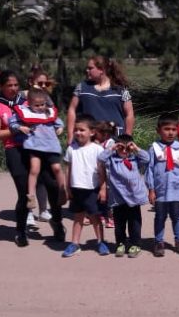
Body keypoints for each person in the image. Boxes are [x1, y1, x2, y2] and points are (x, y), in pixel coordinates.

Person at [0, 70, 65, 247]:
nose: (14, 89)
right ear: (1, 86)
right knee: (24, 193)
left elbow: (48, 109)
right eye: (9, 86)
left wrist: (51, 128)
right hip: (15, 149)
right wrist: (19, 128)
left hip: (38, 148)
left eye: (16, 85)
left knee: (52, 186)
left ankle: (57, 222)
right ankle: (20, 231)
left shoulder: (27, 101)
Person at [9, 88, 66, 212]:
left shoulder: (49, 112)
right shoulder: (24, 112)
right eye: (37, 105)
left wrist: (60, 128)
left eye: (43, 104)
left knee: (57, 168)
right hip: (34, 145)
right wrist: (20, 127)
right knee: (34, 170)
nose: (40, 107)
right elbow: (12, 122)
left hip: (51, 146)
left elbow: (59, 122)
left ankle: (62, 191)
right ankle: (31, 196)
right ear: (29, 103)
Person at [146, 114, 179, 257]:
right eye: (166, 129)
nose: (171, 132)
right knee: (160, 216)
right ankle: (159, 242)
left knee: (177, 216)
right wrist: (151, 190)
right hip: (160, 190)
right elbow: (149, 170)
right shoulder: (154, 148)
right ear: (158, 130)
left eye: (174, 129)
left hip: (177, 190)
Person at [62, 117, 108, 258]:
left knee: (95, 217)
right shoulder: (71, 149)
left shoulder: (97, 149)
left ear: (92, 132)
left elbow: (102, 172)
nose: (78, 132)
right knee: (78, 217)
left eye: (82, 130)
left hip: (92, 189)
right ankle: (75, 243)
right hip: (76, 189)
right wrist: (67, 188)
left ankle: (101, 242)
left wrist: (102, 188)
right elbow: (68, 170)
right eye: (76, 130)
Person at [98, 134, 150, 258]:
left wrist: (136, 149)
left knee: (135, 224)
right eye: (121, 148)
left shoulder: (134, 159)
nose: (124, 151)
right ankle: (120, 243)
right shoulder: (112, 160)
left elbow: (147, 159)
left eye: (127, 148)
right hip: (118, 198)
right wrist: (112, 149)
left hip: (134, 198)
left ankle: (135, 244)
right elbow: (101, 159)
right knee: (119, 225)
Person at [67, 55, 134, 139]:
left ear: (101, 70)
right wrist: (70, 135)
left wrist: (127, 136)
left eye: (90, 68)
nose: (87, 70)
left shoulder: (121, 89)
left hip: (114, 140)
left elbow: (129, 114)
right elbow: (72, 110)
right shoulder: (81, 87)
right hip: (88, 140)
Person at [24, 67, 58, 226]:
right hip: (26, 144)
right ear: (31, 82)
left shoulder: (47, 99)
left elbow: (52, 117)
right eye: (40, 83)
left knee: (44, 179)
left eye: (46, 83)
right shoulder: (22, 97)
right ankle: (29, 212)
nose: (44, 86)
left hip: (44, 144)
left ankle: (43, 210)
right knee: (30, 176)